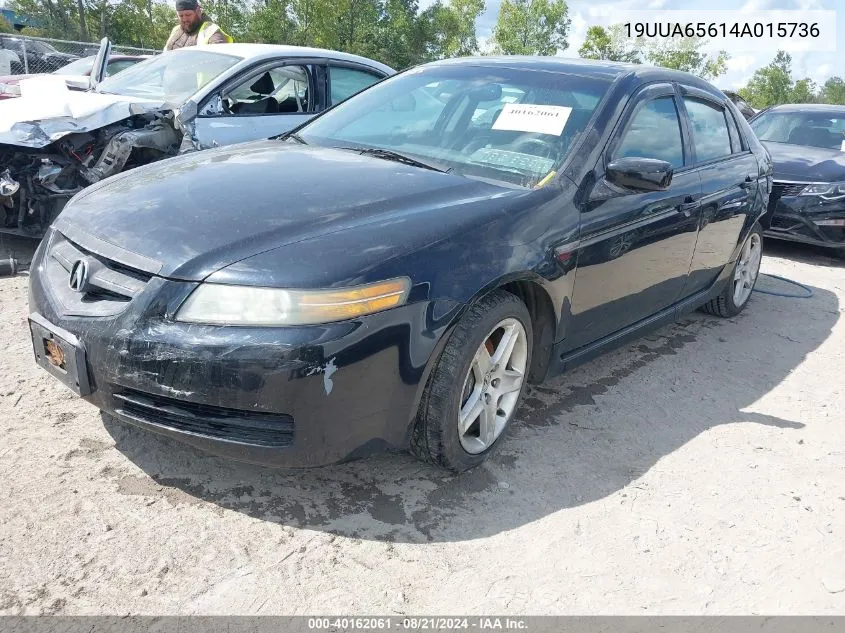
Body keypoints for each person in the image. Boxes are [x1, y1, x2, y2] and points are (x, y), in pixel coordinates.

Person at [164, 0, 233, 52]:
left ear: (198, 11)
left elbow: (220, 60)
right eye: (181, 16)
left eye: (188, 15)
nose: (184, 19)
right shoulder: (176, 30)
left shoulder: (211, 31)